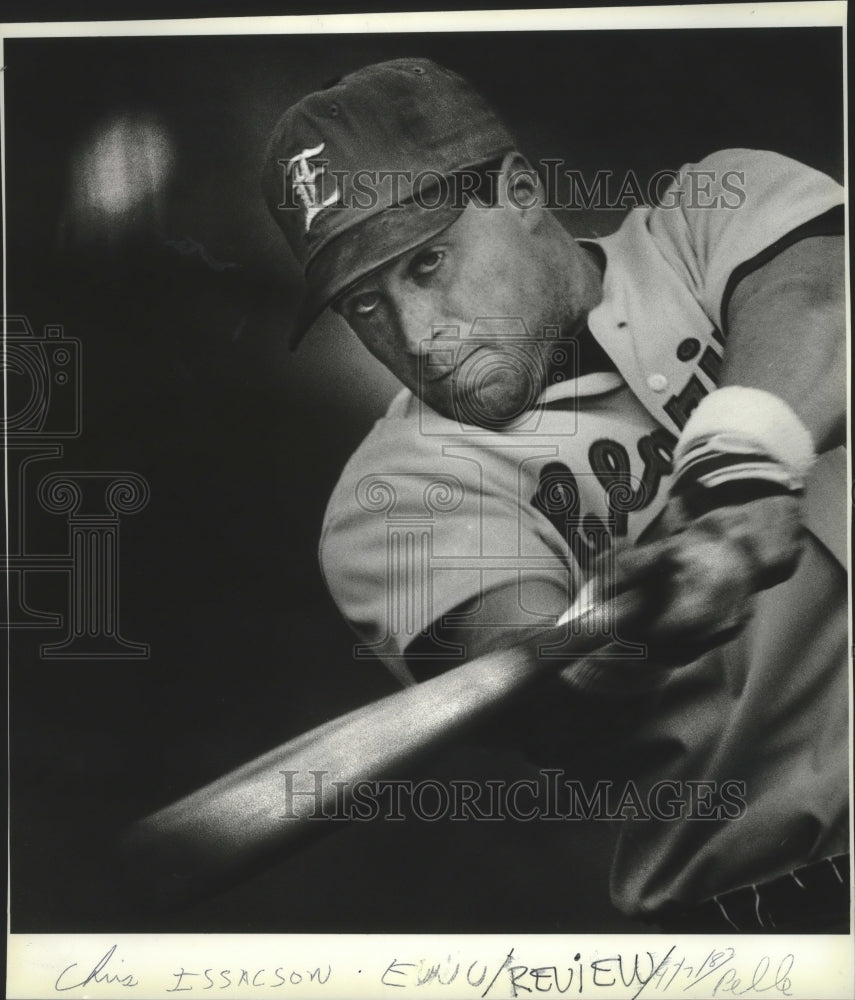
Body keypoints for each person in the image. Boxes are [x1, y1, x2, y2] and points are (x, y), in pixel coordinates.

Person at [261, 58, 848, 932]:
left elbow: (814, 291)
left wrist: (738, 472)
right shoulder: (392, 498)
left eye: (426, 265)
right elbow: (529, 690)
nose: (417, 337)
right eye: (364, 306)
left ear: (520, 190)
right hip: (792, 907)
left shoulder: (708, 216)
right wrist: (613, 642)